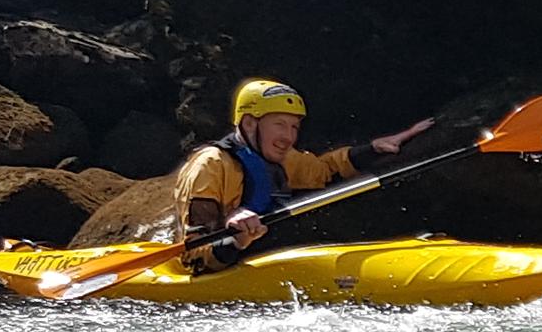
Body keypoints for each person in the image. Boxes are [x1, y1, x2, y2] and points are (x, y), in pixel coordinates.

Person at [164, 79, 435, 272]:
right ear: (249, 123)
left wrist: (373, 148)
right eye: (280, 125)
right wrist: (236, 238)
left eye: (294, 127)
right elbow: (194, 255)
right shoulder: (210, 166)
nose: (289, 137)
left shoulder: (284, 158)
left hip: (269, 256)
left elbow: (326, 171)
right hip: (223, 268)